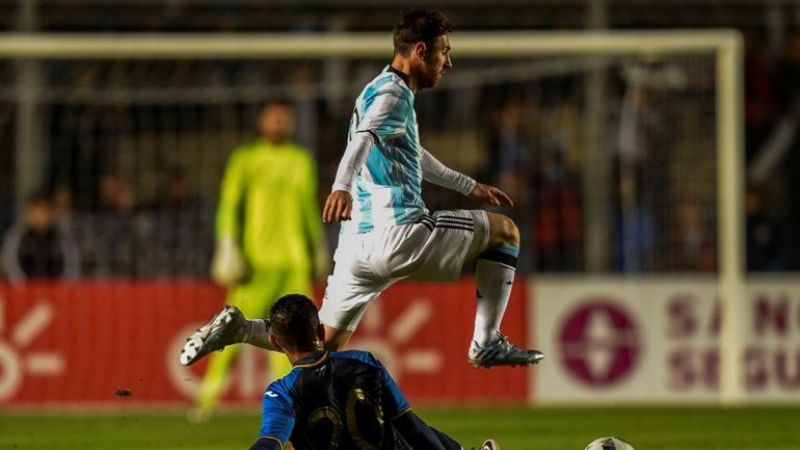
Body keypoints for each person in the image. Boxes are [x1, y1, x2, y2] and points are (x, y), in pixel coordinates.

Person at [181, 9, 541, 370]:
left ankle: (240, 329)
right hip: (399, 232)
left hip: (357, 245)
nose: (448, 62)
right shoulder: (393, 95)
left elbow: (412, 155)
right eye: (443, 51)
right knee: (505, 232)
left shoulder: (375, 89)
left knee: (323, 340)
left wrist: (470, 186)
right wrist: (340, 187)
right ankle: (487, 341)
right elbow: (365, 138)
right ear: (419, 51)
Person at [189, 100, 329, 419]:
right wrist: (227, 244)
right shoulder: (245, 160)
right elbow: (230, 205)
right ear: (261, 122)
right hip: (256, 264)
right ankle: (207, 400)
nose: (279, 122)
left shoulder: (301, 160)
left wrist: (318, 247)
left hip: (294, 263)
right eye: (274, 117)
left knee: (294, 337)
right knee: (230, 328)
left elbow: (308, 208)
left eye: (285, 117)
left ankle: (287, 402)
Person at [248, 294, 500, 450]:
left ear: (275, 343)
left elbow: (269, 442)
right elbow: (410, 427)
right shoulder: (363, 363)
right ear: (322, 333)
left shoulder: (281, 393)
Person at [1, 190, 80, 282]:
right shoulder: (17, 235)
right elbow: (10, 262)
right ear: (29, 213)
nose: (40, 215)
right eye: (36, 210)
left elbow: (72, 265)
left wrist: (61, 290)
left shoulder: (61, 236)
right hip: (23, 291)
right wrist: (23, 288)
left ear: (51, 213)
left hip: (57, 291)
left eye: (44, 210)